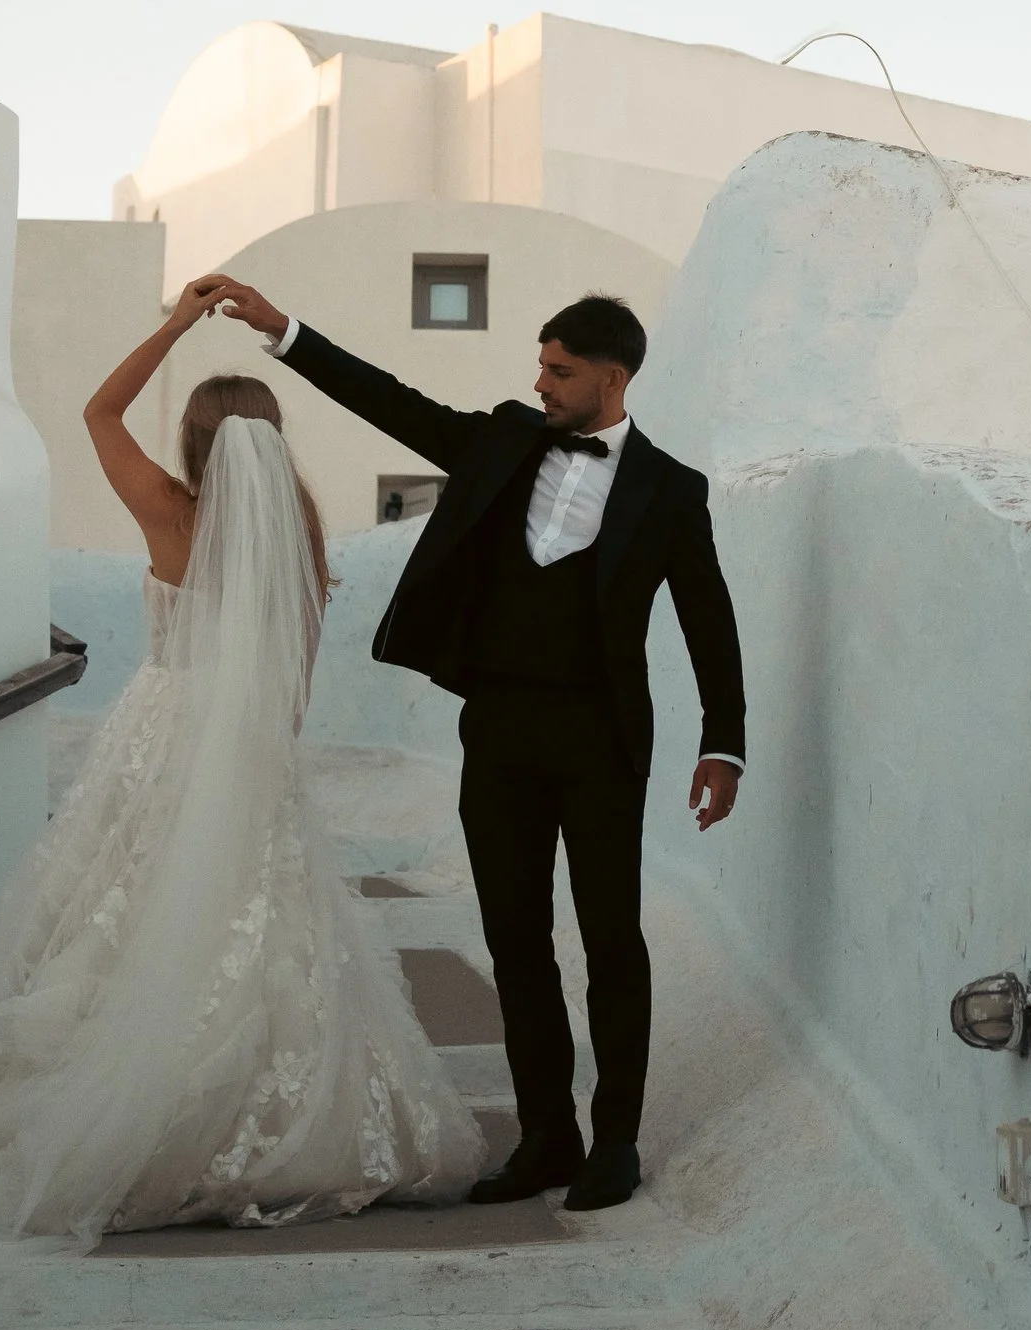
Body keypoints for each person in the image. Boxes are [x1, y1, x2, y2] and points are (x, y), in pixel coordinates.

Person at [0, 281, 482, 1241]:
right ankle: (256, 1111)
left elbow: (96, 412)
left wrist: (174, 324)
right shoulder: (300, 536)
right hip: (251, 749)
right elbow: (293, 680)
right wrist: (264, 763)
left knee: (123, 910)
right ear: (274, 442)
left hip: (162, 737)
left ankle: (126, 1104)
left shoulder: (168, 511)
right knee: (259, 924)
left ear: (196, 446)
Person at [200, 279, 743, 1211]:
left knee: (612, 938)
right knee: (515, 935)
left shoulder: (672, 490)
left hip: (605, 739)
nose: (540, 381)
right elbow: (391, 400)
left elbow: (708, 618)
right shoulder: (502, 440)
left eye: (559, 370)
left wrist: (721, 745)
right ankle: (546, 1136)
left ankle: (615, 1140)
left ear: (613, 379)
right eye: (539, 364)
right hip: (499, 728)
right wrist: (283, 328)